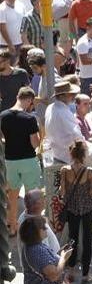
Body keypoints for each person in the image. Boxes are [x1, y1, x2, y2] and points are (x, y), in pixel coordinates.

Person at [59, 139, 92, 284]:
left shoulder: (65, 170)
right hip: (88, 210)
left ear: (71, 154)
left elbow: (62, 192)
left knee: (72, 240)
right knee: (87, 241)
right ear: (84, 154)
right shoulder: (90, 171)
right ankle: (86, 275)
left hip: (72, 210)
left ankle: (71, 271)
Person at [2, 85, 42, 234]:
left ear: (17, 97)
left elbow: (2, 138)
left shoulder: (3, 116)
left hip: (10, 161)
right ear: (30, 100)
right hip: (28, 161)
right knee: (32, 195)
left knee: (12, 195)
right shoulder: (30, 118)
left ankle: (13, 227)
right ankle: (31, 227)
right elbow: (35, 143)